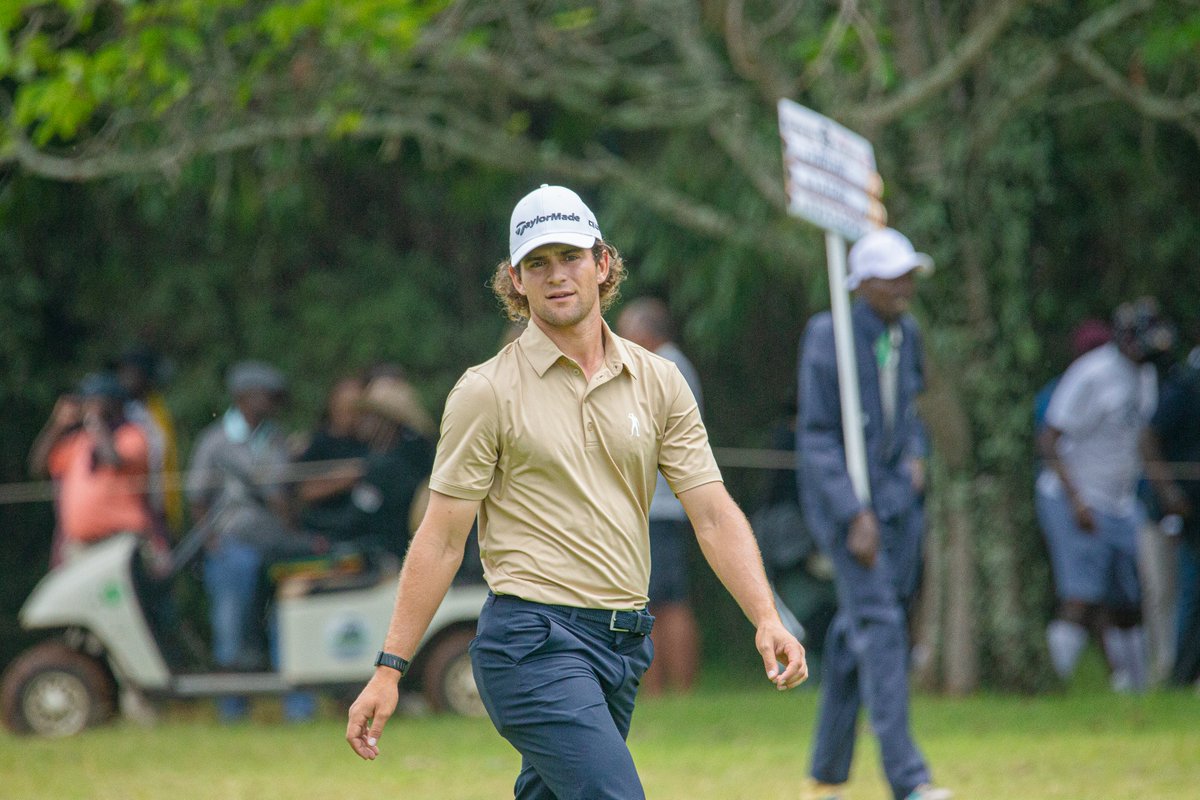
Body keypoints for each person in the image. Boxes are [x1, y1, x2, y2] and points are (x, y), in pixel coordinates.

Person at [346, 183, 806, 798]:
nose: (556, 275)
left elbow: (714, 514)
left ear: (602, 263)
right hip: (531, 643)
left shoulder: (660, 381)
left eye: (569, 257)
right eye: (537, 262)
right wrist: (390, 669)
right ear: (515, 280)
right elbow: (441, 537)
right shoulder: (485, 392)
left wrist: (765, 617)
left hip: (622, 644)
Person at [797, 227, 949, 800]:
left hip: (899, 504)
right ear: (862, 285)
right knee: (883, 630)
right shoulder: (826, 334)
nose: (907, 285)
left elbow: (911, 407)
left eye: (910, 274)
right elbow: (815, 436)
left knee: (853, 634)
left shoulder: (906, 333)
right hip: (850, 510)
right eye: (895, 277)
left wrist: (916, 456)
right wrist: (849, 512)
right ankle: (909, 780)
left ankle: (826, 775)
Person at [1037, 297, 1175, 693]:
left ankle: (1133, 687)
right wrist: (1076, 500)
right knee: (1080, 595)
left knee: (1128, 600)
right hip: (1076, 497)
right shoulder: (1093, 373)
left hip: (1119, 502)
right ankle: (1053, 684)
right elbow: (1050, 438)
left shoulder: (1145, 375)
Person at [186, 360, 322, 722]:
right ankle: (232, 710)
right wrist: (212, 542)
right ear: (245, 397)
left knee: (288, 621)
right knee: (232, 628)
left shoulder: (276, 439)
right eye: (268, 396)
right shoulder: (215, 441)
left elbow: (286, 494)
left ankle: (297, 708)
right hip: (233, 546)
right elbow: (196, 497)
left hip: (275, 545)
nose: (275, 403)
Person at [615, 296, 704, 695]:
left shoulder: (664, 367)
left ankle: (671, 691)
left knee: (659, 603)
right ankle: (665, 690)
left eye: (625, 331)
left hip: (659, 505)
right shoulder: (672, 364)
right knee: (655, 600)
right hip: (663, 506)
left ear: (645, 333)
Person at [28, 372, 157, 565]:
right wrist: (58, 425)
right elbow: (38, 466)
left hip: (121, 541)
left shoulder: (132, 435)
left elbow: (113, 460)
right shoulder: (81, 442)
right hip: (82, 547)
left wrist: (95, 420)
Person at [1143, 341, 1200, 686]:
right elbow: (1148, 437)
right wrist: (1169, 493)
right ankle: (1179, 675)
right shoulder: (1186, 388)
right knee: (1185, 594)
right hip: (1186, 507)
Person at [117, 344, 184, 541]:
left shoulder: (158, 413)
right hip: (122, 508)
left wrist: (171, 515)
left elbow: (164, 462)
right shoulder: (116, 412)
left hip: (155, 509)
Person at [294, 373, 371, 537]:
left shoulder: (368, 443)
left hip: (361, 523)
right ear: (333, 407)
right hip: (323, 526)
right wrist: (341, 481)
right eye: (346, 409)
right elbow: (303, 492)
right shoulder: (320, 442)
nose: (351, 416)